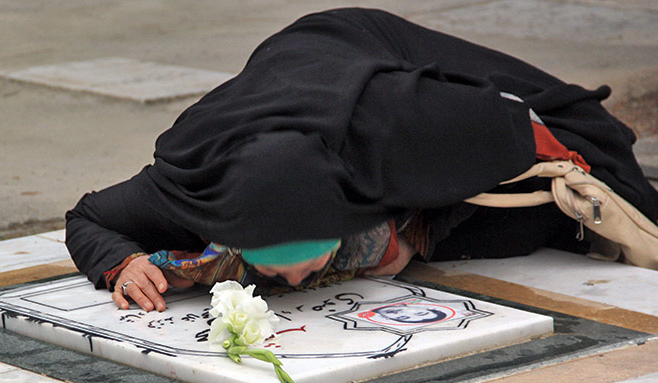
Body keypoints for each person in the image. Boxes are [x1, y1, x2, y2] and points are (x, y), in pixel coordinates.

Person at [65, 8, 658, 313]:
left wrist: (417, 233)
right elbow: (87, 216)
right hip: (287, 80)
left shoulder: (408, 124)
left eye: (307, 266)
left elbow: (534, 134)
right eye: (275, 272)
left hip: (373, 57)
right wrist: (122, 262)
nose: (295, 287)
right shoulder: (189, 185)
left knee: (542, 209)